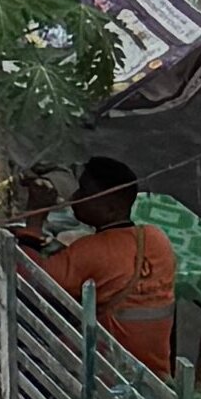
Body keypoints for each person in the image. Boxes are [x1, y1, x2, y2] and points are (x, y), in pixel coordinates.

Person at [39, 154, 180, 373]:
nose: (76, 196)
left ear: (111, 207)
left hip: (109, 373)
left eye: (84, 192)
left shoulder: (91, 250)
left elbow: (33, 278)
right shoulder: (156, 238)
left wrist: (33, 221)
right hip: (156, 370)